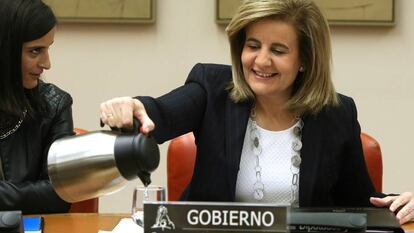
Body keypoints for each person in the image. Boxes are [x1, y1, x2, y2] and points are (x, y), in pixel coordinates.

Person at [100, 0, 414, 224]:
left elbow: (359, 203)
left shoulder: (335, 113)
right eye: (253, 45)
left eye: (278, 50)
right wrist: (135, 107)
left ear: (304, 60)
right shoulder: (212, 89)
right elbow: (161, 114)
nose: (261, 61)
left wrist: (403, 204)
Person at [0, 0, 73, 213]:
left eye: (47, 49)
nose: (46, 63)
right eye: (35, 51)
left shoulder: (55, 104)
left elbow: (61, 193)